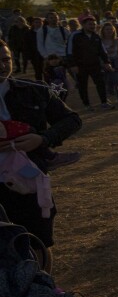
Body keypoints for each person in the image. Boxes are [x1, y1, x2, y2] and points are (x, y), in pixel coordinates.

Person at [0, 42, 80, 268]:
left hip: (29, 181)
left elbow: (72, 120)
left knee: (37, 241)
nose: (2, 65)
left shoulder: (34, 90)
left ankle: (45, 291)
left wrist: (42, 139)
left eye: (6, 59)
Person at [66, 15, 113, 110]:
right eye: (90, 24)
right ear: (83, 25)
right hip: (80, 65)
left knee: (100, 83)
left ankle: (104, 102)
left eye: (94, 24)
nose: (92, 26)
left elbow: (102, 51)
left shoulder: (96, 36)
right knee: (82, 85)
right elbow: (69, 51)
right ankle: (86, 104)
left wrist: (106, 62)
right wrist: (72, 65)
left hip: (95, 64)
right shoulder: (75, 35)